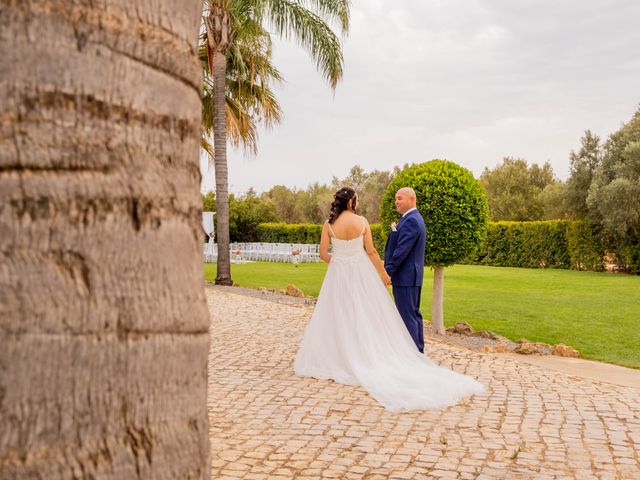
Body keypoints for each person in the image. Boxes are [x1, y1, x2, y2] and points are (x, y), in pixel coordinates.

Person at [294, 187, 484, 411]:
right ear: (351, 203)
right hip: (360, 272)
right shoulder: (361, 221)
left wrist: (339, 263)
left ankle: (339, 357)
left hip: (338, 274)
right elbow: (372, 252)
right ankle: (370, 354)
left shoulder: (328, 224)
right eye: (356, 199)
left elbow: (324, 254)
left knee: (337, 313)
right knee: (366, 314)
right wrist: (383, 273)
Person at [384, 187, 426, 353]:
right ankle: (418, 352)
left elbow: (402, 251)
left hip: (406, 277)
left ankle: (413, 355)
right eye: (396, 198)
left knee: (408, 317)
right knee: (413, 315)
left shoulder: (411, 220)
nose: (396, 201)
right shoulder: (409, 219)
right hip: (409, 277)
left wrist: (387, 272)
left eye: (400, 198)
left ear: (412, 199)